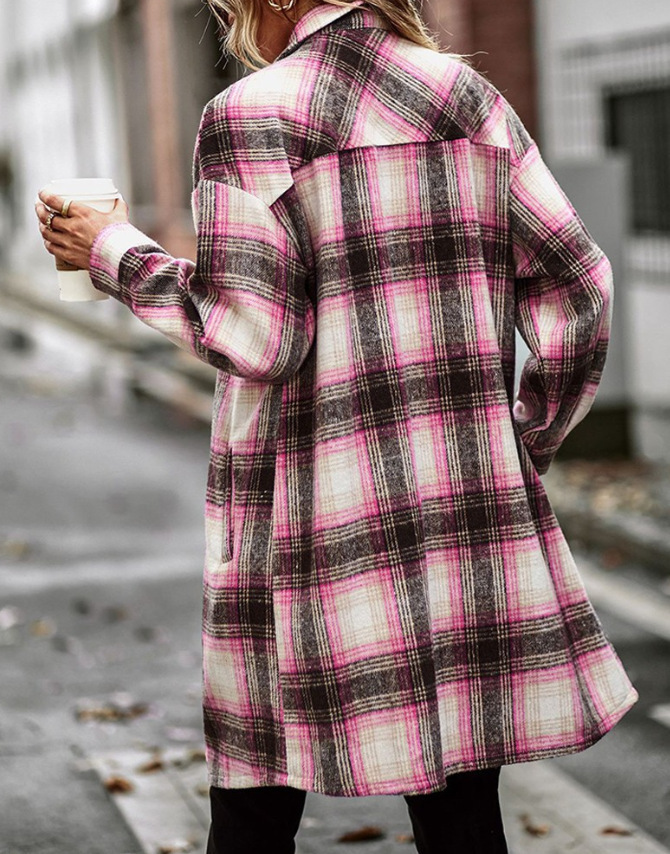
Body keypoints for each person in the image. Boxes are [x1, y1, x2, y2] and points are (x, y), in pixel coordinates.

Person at [35, 0, 639, 851]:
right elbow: (579, 287)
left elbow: (257, 336)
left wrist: (114, 253)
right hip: (464, 513)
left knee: (256, 807)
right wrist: (521, 443)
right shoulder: (464, 98)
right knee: (462, 810)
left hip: (304, 523)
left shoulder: (250, 116)